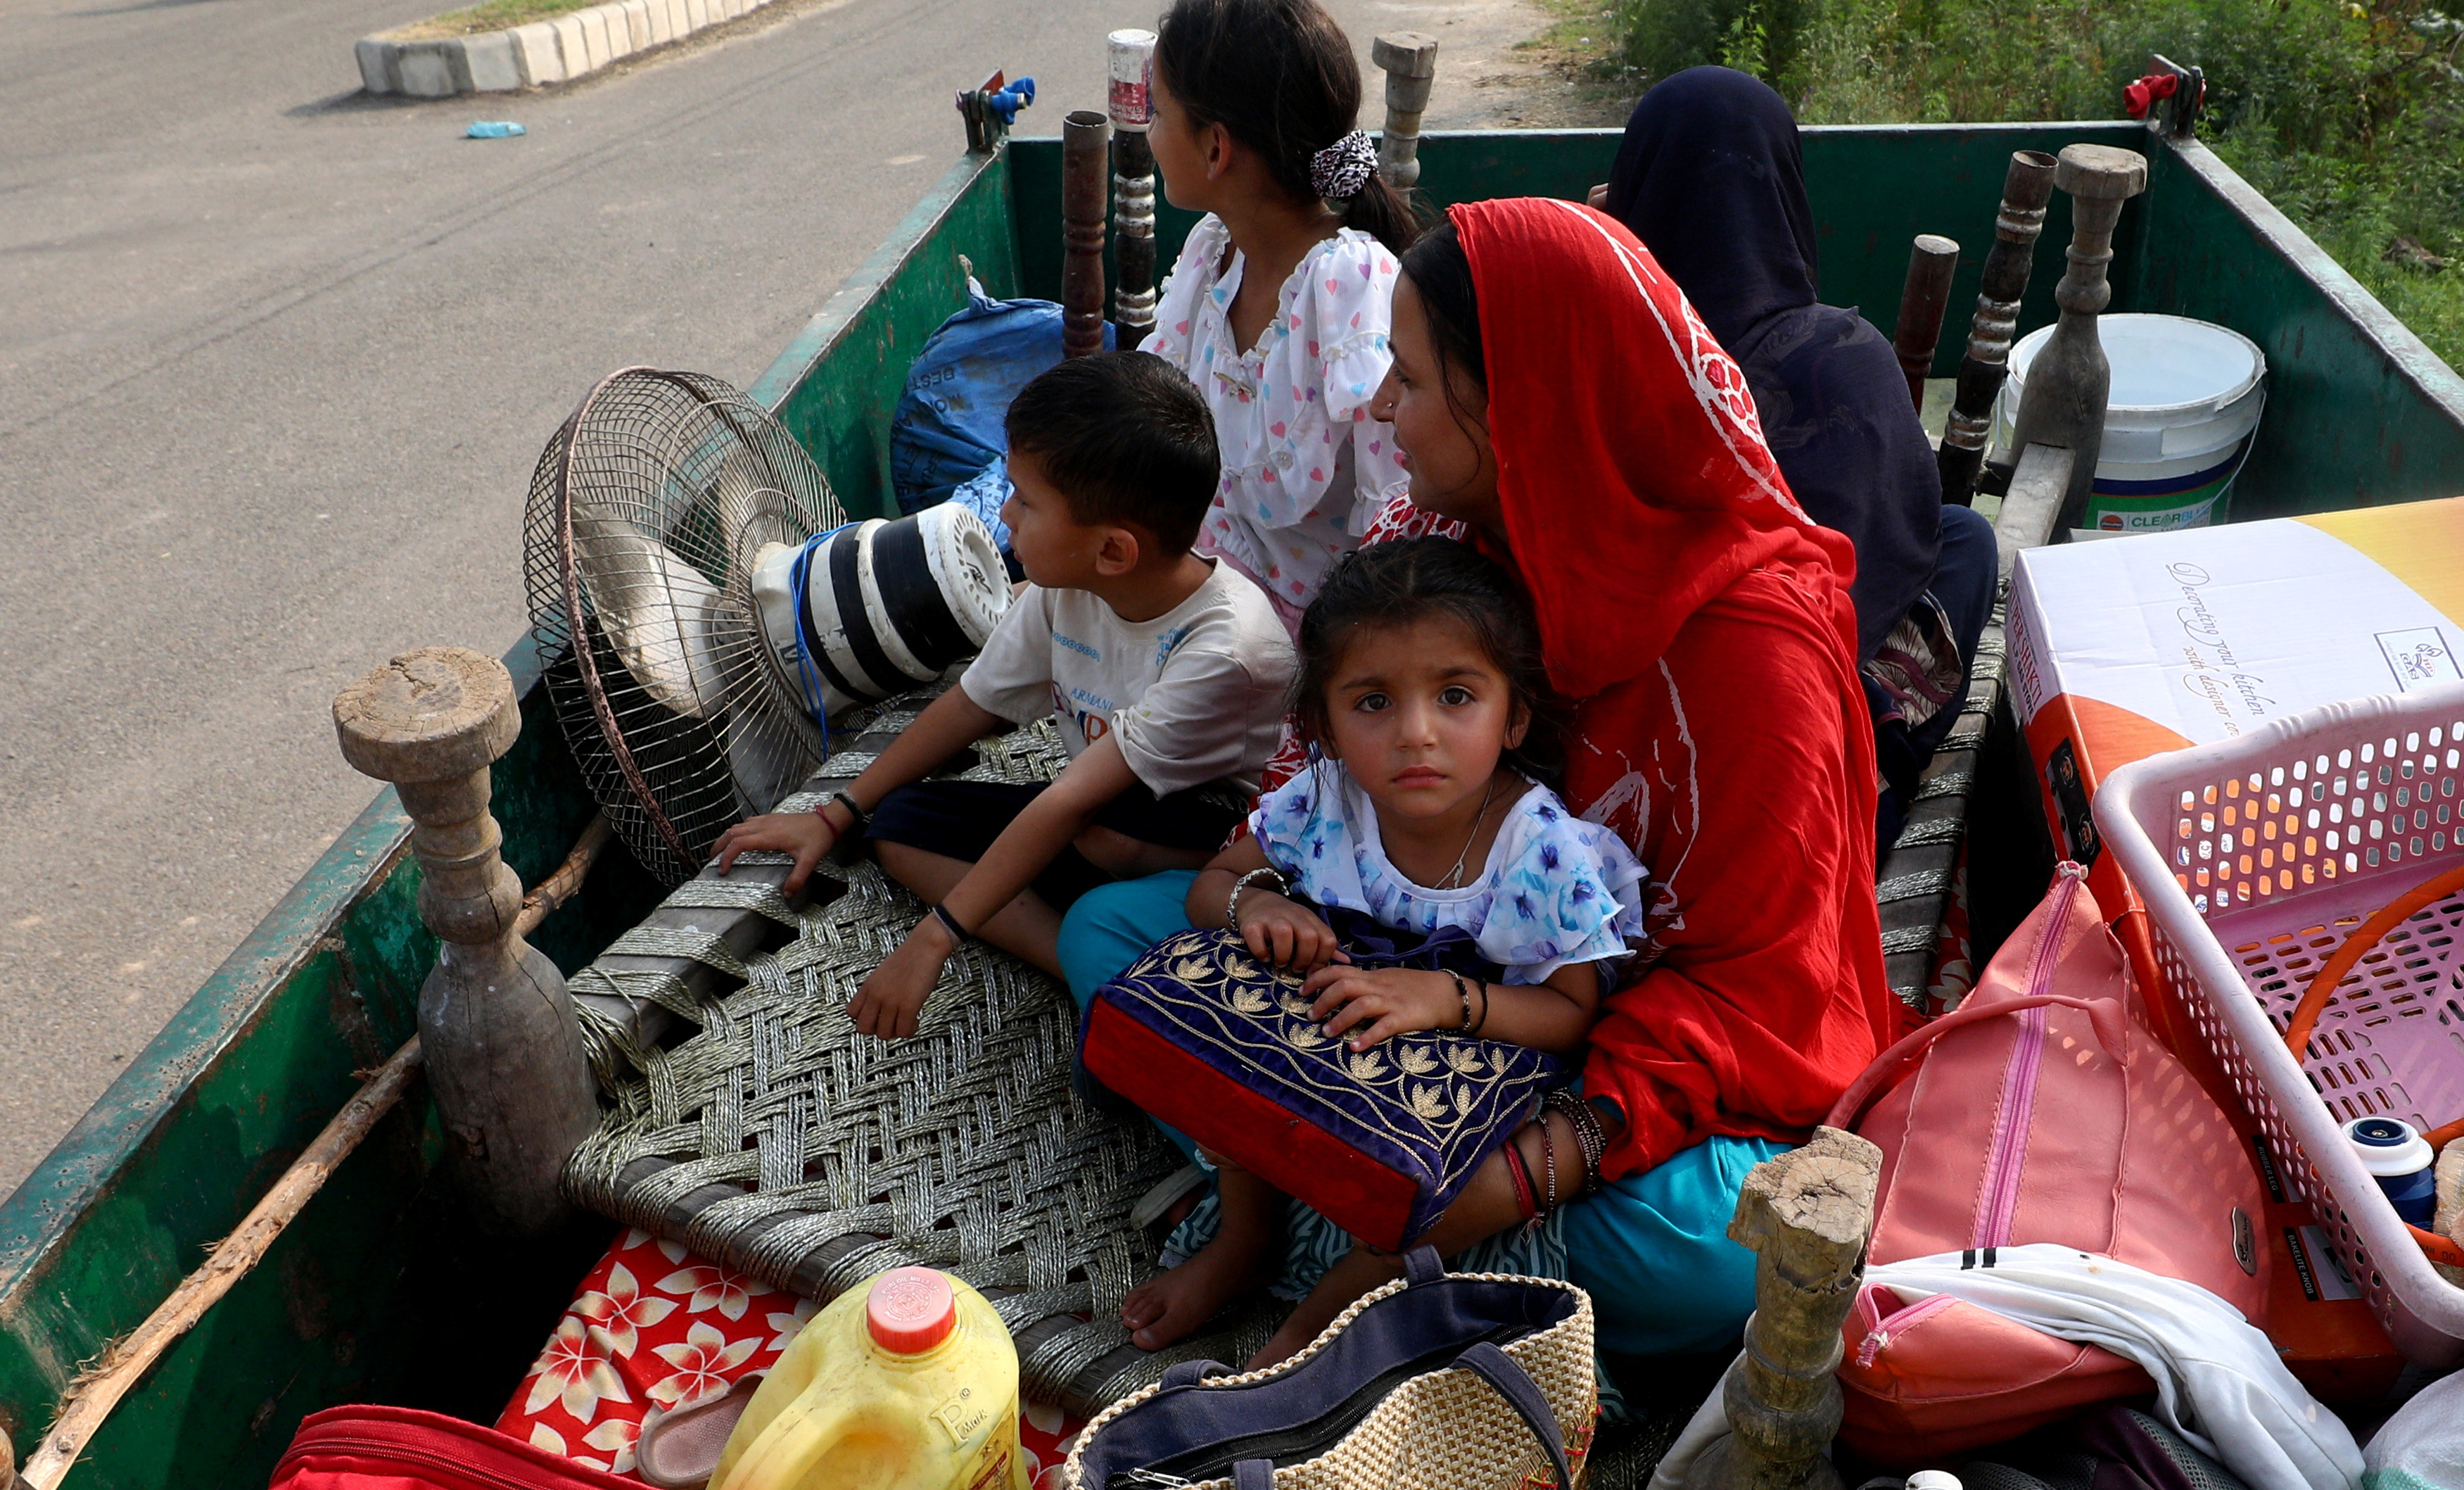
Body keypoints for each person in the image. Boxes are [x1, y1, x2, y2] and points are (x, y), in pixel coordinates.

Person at [1064, 198, 1894, 1379]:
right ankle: (1355, 1213)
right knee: (1109, 936)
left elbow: (1753, 1001)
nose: (1375, 408)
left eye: (1406, 377)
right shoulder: (1430, 543)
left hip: (1587, 1042)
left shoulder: (1751, 659)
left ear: (1520, 404)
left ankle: (1368, 1227)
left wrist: (1493, 1179)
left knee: (1716, 1253)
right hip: (1372, 973)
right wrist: (1267, 910)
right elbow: (1298, 810)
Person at [1119, 538, 1644, 1355]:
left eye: (1456, 695)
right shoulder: (1324, 801)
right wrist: (1253, 906)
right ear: (1321, 722)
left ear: (1514, 717)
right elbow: (1210, 887)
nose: (1415, 734)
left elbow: (1571, 1014)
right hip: (1338, 1029)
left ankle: (1348, 1289)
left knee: (1472, 1189)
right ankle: (1243, 1239)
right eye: (1371, 702)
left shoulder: (1536, 849)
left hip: (1468, 1069)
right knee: (1220, 1028)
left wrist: (1445, 1000)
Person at [713, 357, 1292, 1037]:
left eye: (1025, 499)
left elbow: (1072, 799)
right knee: (899, 826)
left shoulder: (1225, 647)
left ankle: (1106, 965)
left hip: (1203, 840)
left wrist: (934, 940)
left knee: (1101, 831)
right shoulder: (1063, 590)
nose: (1005, 513)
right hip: (1088, 814)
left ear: (1112, 552)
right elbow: (970, 705)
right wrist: (837, 815)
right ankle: (1083, 970)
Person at [1601, 67, 2000, 836]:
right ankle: (1875, 757)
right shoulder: (1836, 351)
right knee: (1965, 539)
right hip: (1791, 740)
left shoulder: (1600, 343)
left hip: (1642, 720)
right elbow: (1883, 542)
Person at [1137, 0, 1421, 629]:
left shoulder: (1344, 286)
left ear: (1215, 149)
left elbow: (1398, 512)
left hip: (1322, 641)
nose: (1148, 134)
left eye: (1158, 112)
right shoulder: (1212, 256)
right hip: (1209, 611)